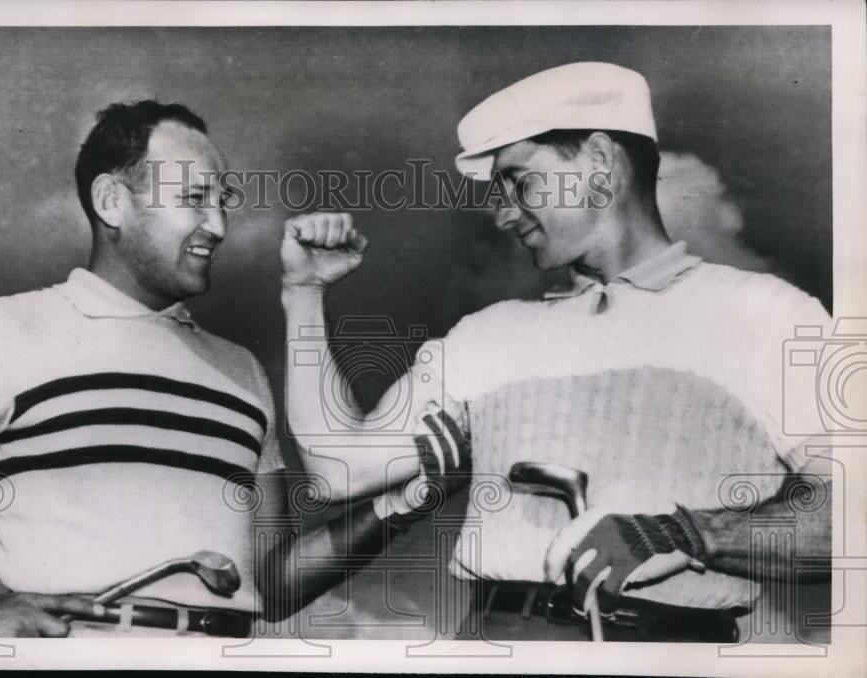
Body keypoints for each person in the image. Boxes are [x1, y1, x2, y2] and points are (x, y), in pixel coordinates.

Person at [280, 62, 833, 641]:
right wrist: (304, 294)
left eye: (520, 181)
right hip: (492, 640)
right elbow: (336, 466)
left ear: (598, 161)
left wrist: (689, 534)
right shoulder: (487, 336)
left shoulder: (767, 314)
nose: (502, 211)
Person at [0, 100, 420, 638]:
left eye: (223, 200)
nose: (217, 225)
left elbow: (271, 586)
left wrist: (406, 500)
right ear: (112, 202)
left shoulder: (239, 371)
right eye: (195, 199)